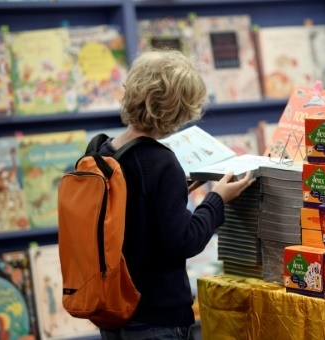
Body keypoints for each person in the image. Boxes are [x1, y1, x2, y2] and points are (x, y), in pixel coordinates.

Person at [98, 50, 254, 339]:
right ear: (179, 108)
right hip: (156, 314)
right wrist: (216, 199)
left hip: (114, 310)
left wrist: (173, 192)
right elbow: (185, 241)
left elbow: (134, 215)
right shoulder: (161, 161)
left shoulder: (104, 150)